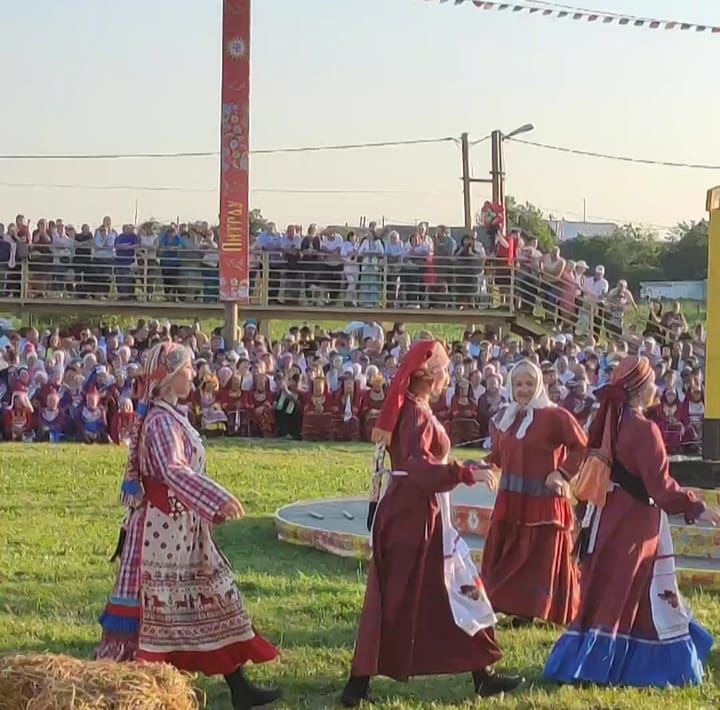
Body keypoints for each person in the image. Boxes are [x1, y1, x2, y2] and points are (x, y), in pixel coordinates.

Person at [96, 342, 280, 710]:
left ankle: (238, 687)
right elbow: (174, 471)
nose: (194, 374)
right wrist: (217, 499)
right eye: (188, 369)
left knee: (212, 597)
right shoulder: (162, 422)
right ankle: (119, 692)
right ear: (167, 378)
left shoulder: (171, 416)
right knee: (155, 612)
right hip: (159, 535)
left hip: (181, 530)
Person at [340, 339, 521, 707]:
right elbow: (421, 468)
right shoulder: (416, 414)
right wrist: (466, 473)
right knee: (404, 594)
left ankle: (480, 671)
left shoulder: (414, 409)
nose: (448, 379)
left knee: (451, 587)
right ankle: (358, 683)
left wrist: (472, 468)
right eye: (444, 371)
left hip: (419, 512)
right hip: (413, 515)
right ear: (429, 376)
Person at [544, 355, 719, 688]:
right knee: (638, 588)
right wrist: (695, 506)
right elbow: (661, 487)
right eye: (654, 381)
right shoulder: (643, 429)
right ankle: (635, 665)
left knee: (612, 586)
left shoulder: (612, 419)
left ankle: (591, 658)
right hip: (638, 521)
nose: (659, 386)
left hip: (611, 514)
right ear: (641, 389)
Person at [481, 359, 587, 626]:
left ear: (539, 384)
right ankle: (510, 606)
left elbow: (582, 447)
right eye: (518, 384)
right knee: (508, 554)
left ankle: (533, 610)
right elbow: (501, 454)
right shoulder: (508, 417)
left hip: (542, 502)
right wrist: (480, 467)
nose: (523, 389)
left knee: (537, 558)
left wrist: (562, 473)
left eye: (529, 383)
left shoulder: (555, 416)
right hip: (512, 500)